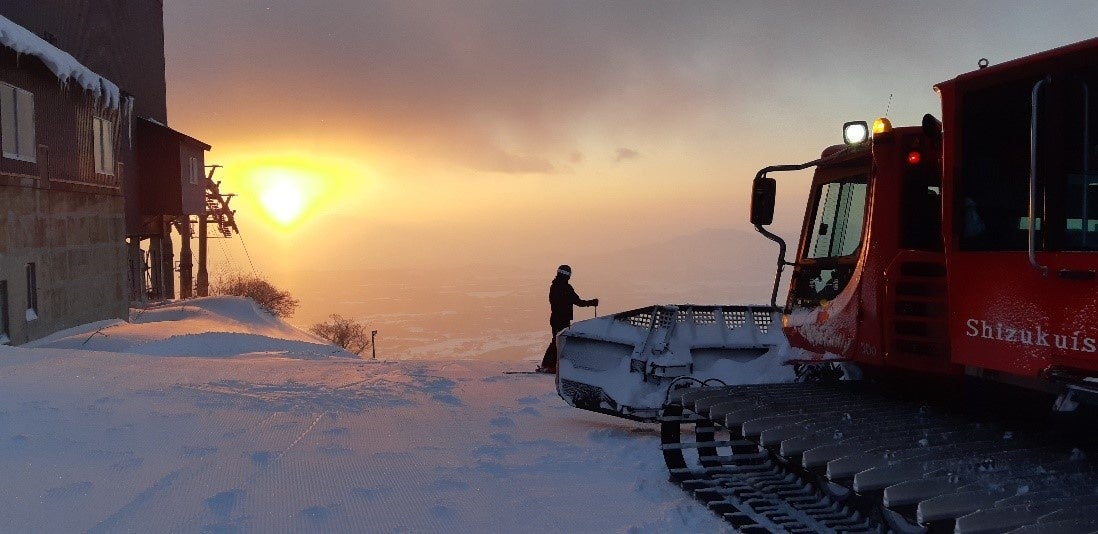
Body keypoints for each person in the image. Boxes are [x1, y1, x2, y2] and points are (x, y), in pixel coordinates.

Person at [537, 264, 598, 373]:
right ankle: (551, 366)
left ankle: (547, 364)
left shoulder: (554, 286)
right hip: (563, 319)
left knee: (555, 341)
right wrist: (592, 303)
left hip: (555, 318)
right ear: (568, 275)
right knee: (559, 342)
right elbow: (579, 302)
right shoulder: (566, 288)